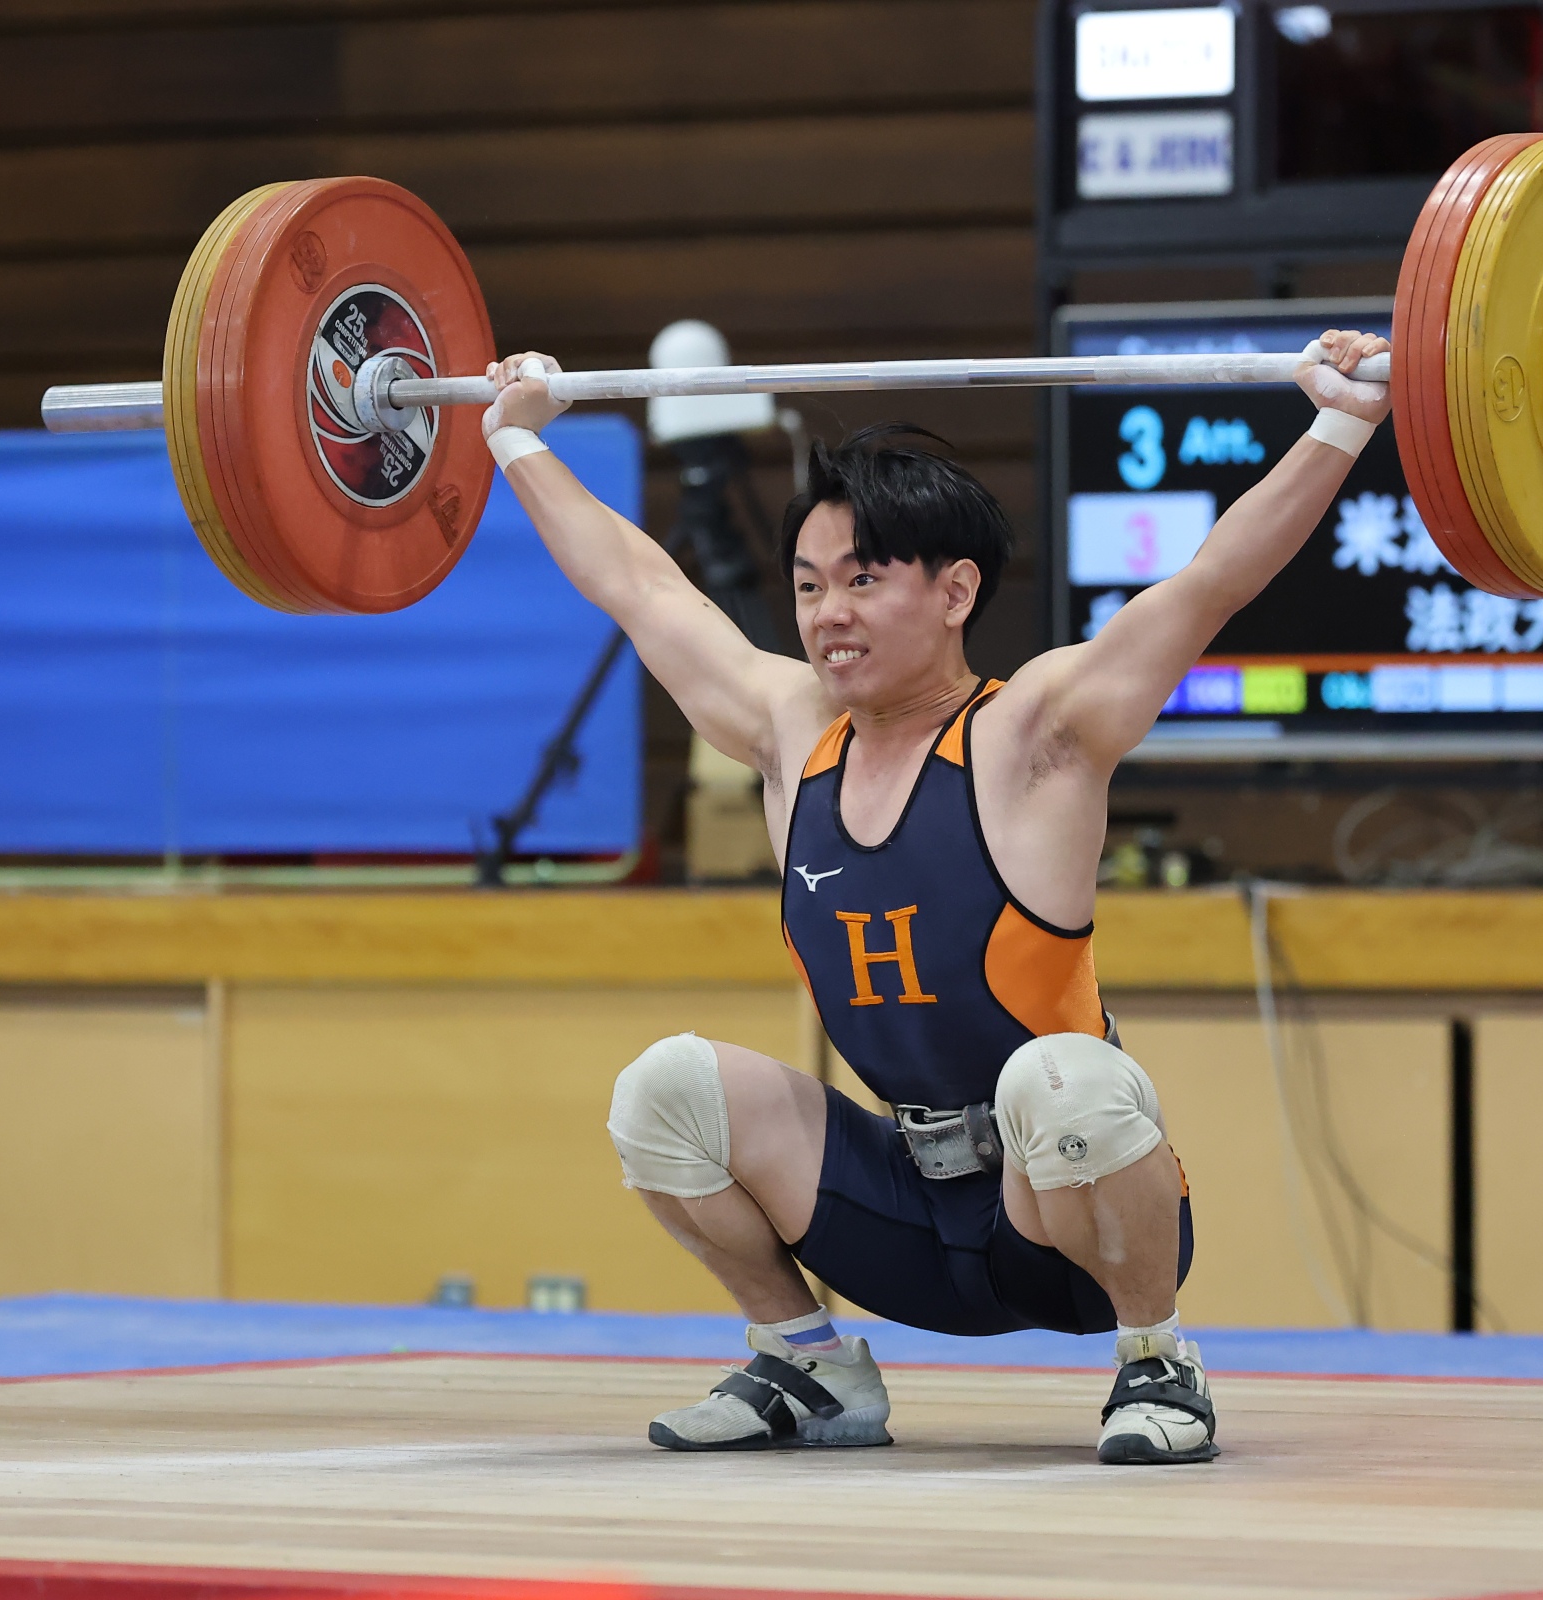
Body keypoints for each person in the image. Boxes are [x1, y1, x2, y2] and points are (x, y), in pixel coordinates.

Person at [482, 331, 1391, 1464]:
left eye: (863, 579)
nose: (828, 612)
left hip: (1061, 1222)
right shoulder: (787, 732)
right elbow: (639, 587)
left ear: (956, 590)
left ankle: (1156, 1358)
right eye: (809, 585)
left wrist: (1342, 419)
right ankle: (810, 1365)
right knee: (663, 1091)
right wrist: (515, 440)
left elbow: (1215, 581)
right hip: (901, 1217)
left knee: (1061, 1076)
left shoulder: (1037, 732)